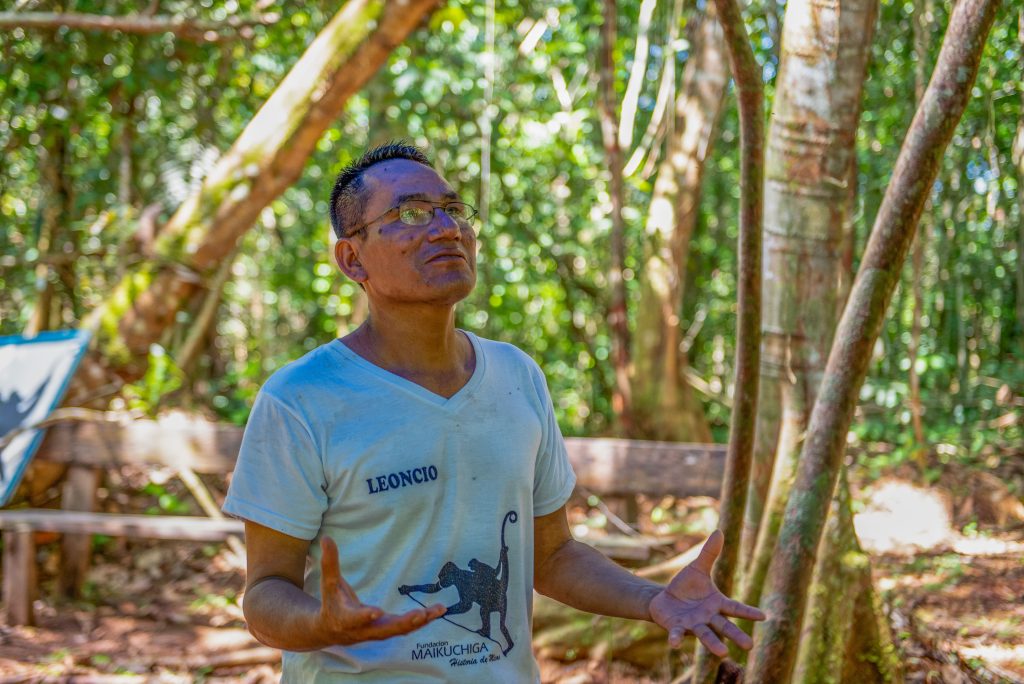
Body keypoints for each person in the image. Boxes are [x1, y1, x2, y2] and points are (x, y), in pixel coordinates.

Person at [223, 142, 765, 682]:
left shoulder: (516, 376)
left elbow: (551, 557)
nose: (445, 228)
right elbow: (265, 593)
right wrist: (322, 625)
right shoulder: (301, 398)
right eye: (409, 213)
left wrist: (655, 600)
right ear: (351, 258)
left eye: (454, 210)